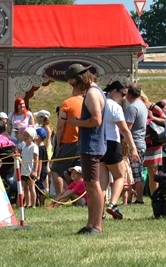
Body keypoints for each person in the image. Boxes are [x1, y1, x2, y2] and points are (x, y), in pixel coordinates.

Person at [63, 63, 106, 235]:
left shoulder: (92, 94)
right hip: (92, 144)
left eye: (73, 84)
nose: (73, 88)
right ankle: (91, 224)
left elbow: (96, 120)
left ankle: (96, 226)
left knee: (93, 185)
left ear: (80, 79)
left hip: (92, 145)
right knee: (89, 184)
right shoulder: (94, 92)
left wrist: (76, 122)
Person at [100, 80, 135, 220]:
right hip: (112, 143)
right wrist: (133, 148)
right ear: (114, 91)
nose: (124, 97)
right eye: (123, 94)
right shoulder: (114, 106)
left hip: (99, 144)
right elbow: (125, 130)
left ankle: (100, 212)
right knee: (120, 176)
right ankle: (113, 204)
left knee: (102, 182)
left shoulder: (99, 102)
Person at [51, 84, 84, 197]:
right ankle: (77, 197)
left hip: (69, 141)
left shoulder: (67, 103)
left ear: (74, 89)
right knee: (78, 172)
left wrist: (58, 142)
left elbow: (60, 125)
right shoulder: (87, 103)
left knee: (55, 170)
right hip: (84, 142)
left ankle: (59, 197)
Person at [123, 84, 148, 204]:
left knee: (135, 173)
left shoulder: (132, 108)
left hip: (135, 143)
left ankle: (139, 199)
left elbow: (127, 128)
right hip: (141, 141)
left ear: (129, 94)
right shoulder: (142, 105)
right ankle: (132, 197)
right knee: (136, 172)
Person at [143, 93, 166, 196]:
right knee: (150, 171)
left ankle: (155, 194)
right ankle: (153, 194)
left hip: (154, 143)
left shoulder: (153, 107)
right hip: (143, 142)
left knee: (153, 171)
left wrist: (152, 118)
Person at [18, 126, 39, 208]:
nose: (25, 137)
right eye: (24, 135)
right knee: (25, 187)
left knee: (31, 187)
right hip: (24, 170)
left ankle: (33, 204)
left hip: (30, 170)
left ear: (32, 137)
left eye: (27, 136)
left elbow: (36, 159)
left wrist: (35, 170)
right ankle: (27, 203)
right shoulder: (23, 146)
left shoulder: (34, 146)